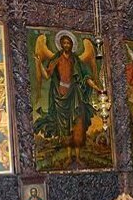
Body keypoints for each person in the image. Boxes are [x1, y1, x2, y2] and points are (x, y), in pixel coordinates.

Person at [33, 33, 103, 167]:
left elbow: (86, 76)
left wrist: (97, 88)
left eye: (68, 43)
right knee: (65, 127)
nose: (66, 45)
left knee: (78, 125)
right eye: (64, 43)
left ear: (72, 45)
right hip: (61, 96)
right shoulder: (57, 58)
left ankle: (78, 157)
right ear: (61, 44)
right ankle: (69, 157)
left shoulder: (76, 59)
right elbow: (47, 75)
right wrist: (39, 63)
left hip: (75, 94)